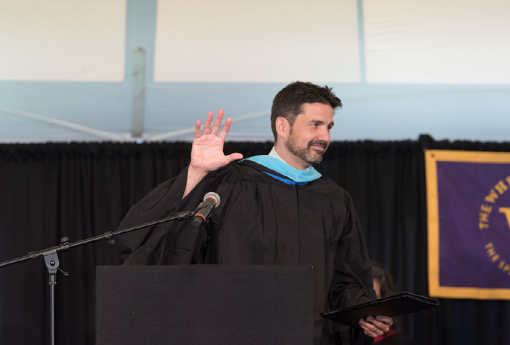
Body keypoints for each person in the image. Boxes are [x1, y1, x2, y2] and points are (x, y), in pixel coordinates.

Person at [116, 81, 393, 344]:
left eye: (329, 126)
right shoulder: (233, 183)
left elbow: (344, 280)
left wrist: (364, 310)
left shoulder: (333, 199)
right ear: (282, 126)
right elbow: (160, 240)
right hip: (234, 334)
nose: (325, 137)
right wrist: (197, 174)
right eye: (315, 125)